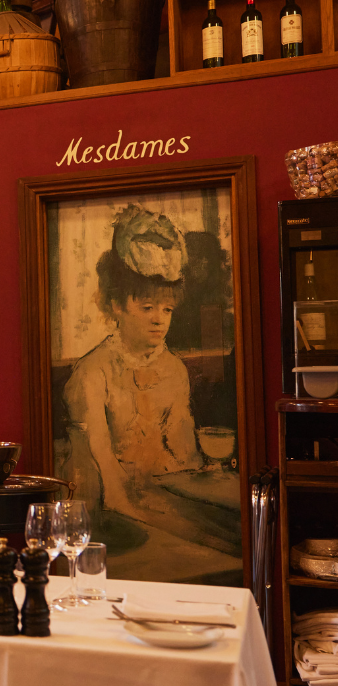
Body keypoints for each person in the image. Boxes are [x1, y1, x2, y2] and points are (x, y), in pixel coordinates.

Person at [59, 205, 203, 526]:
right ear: (116, 305)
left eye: (167, 310)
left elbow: (185, 456)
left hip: (165, 496)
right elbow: (102, 467)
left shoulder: (175, 370)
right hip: (107, 508)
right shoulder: (91, 373)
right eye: (147, 306)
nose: (158, 319)